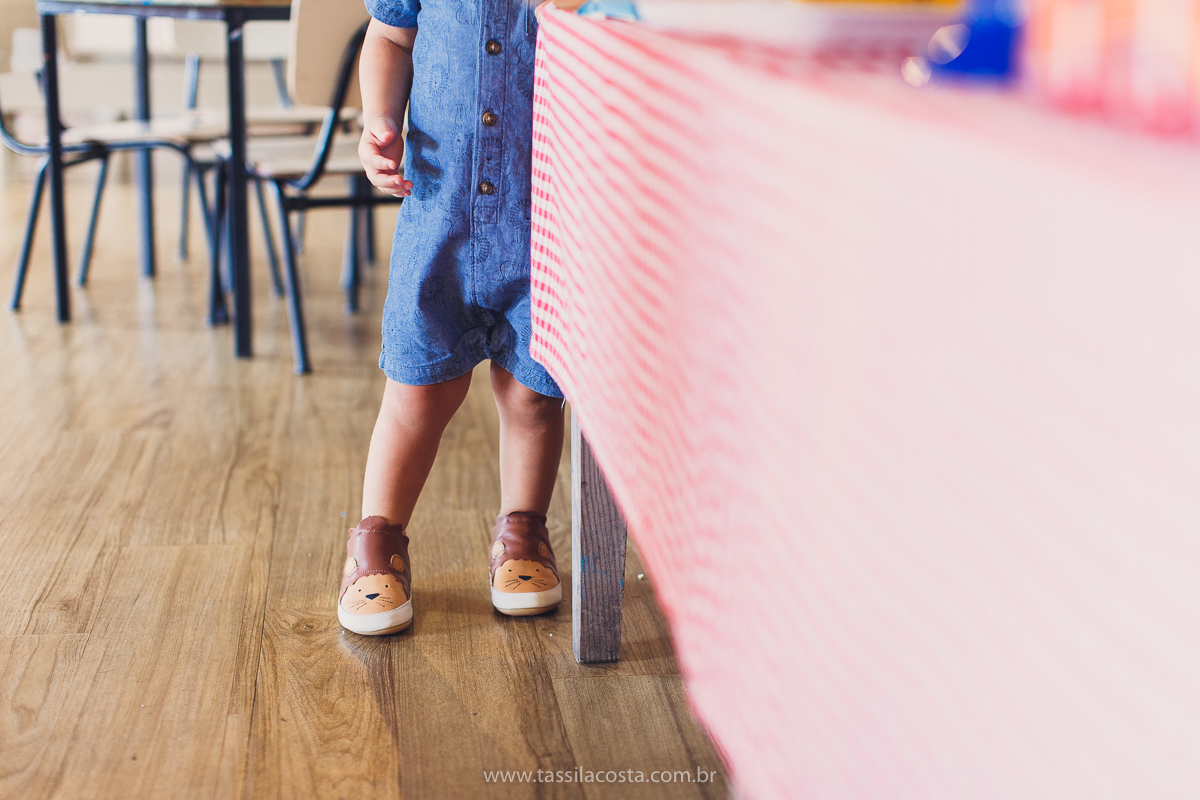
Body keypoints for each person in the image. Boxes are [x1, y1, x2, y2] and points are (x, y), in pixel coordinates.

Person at [337, 0, 579, 635]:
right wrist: (380, 121)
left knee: (532, 393)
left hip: (546, 216)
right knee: (419, 389)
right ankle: (377, 542)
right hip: (442, 217)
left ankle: (523, 533)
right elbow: (389, 38)